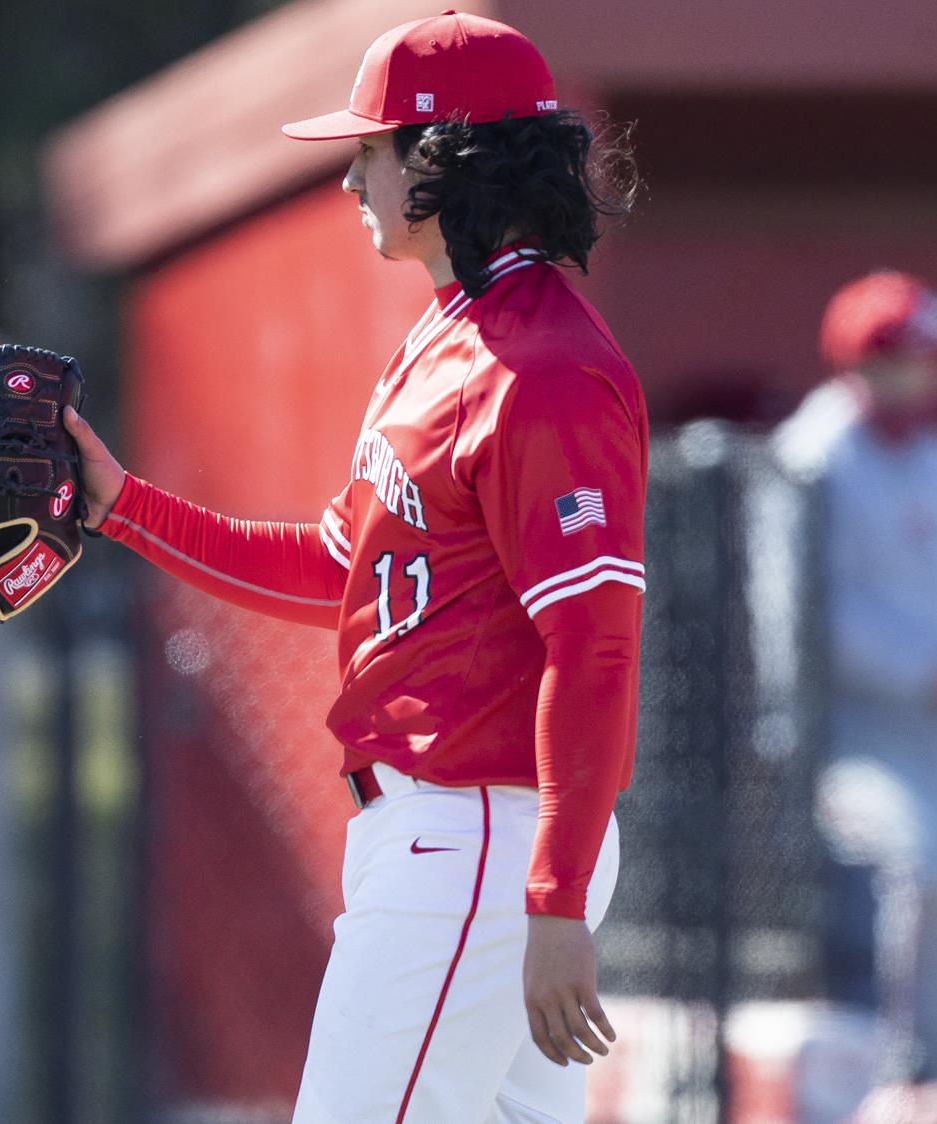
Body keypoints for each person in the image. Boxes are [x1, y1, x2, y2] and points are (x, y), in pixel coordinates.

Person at [65, 13, 643, 1120]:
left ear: (443, 159)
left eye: (370, 150)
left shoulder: (544, 368)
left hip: (478, 838)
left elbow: (595, 648)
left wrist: (555, 895)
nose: (349, 179)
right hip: (448, 841)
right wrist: (121, 506)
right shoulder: (450, 334)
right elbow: (341, 564)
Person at [772, 270, 937, 1084]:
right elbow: (804, 620)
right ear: (871, 359)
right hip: (850, 734)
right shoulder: (811, 456)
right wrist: (930, 674)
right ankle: (897, 1084)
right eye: (923, 359)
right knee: (920, 870)